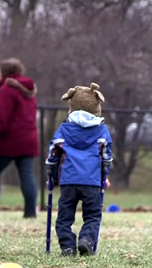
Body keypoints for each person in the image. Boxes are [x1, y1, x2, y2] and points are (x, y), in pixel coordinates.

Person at [46, 82, 113, 256]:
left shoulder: (64, 129)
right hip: (91, 182)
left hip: (68, 181)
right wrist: (104, 176)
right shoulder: (102, 131)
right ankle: (87, 240)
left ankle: (67, 247)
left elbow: (53, 155)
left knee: (64, 217)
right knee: (92, 215)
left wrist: (52, 176)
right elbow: (106, 157)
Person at [0, 58, 39, 218]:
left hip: (11, 139)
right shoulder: (30, 90)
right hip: (29, 138)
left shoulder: (7, 89)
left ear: (6, 73)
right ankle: (30, 212)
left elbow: (2, 118)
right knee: (26, 175)